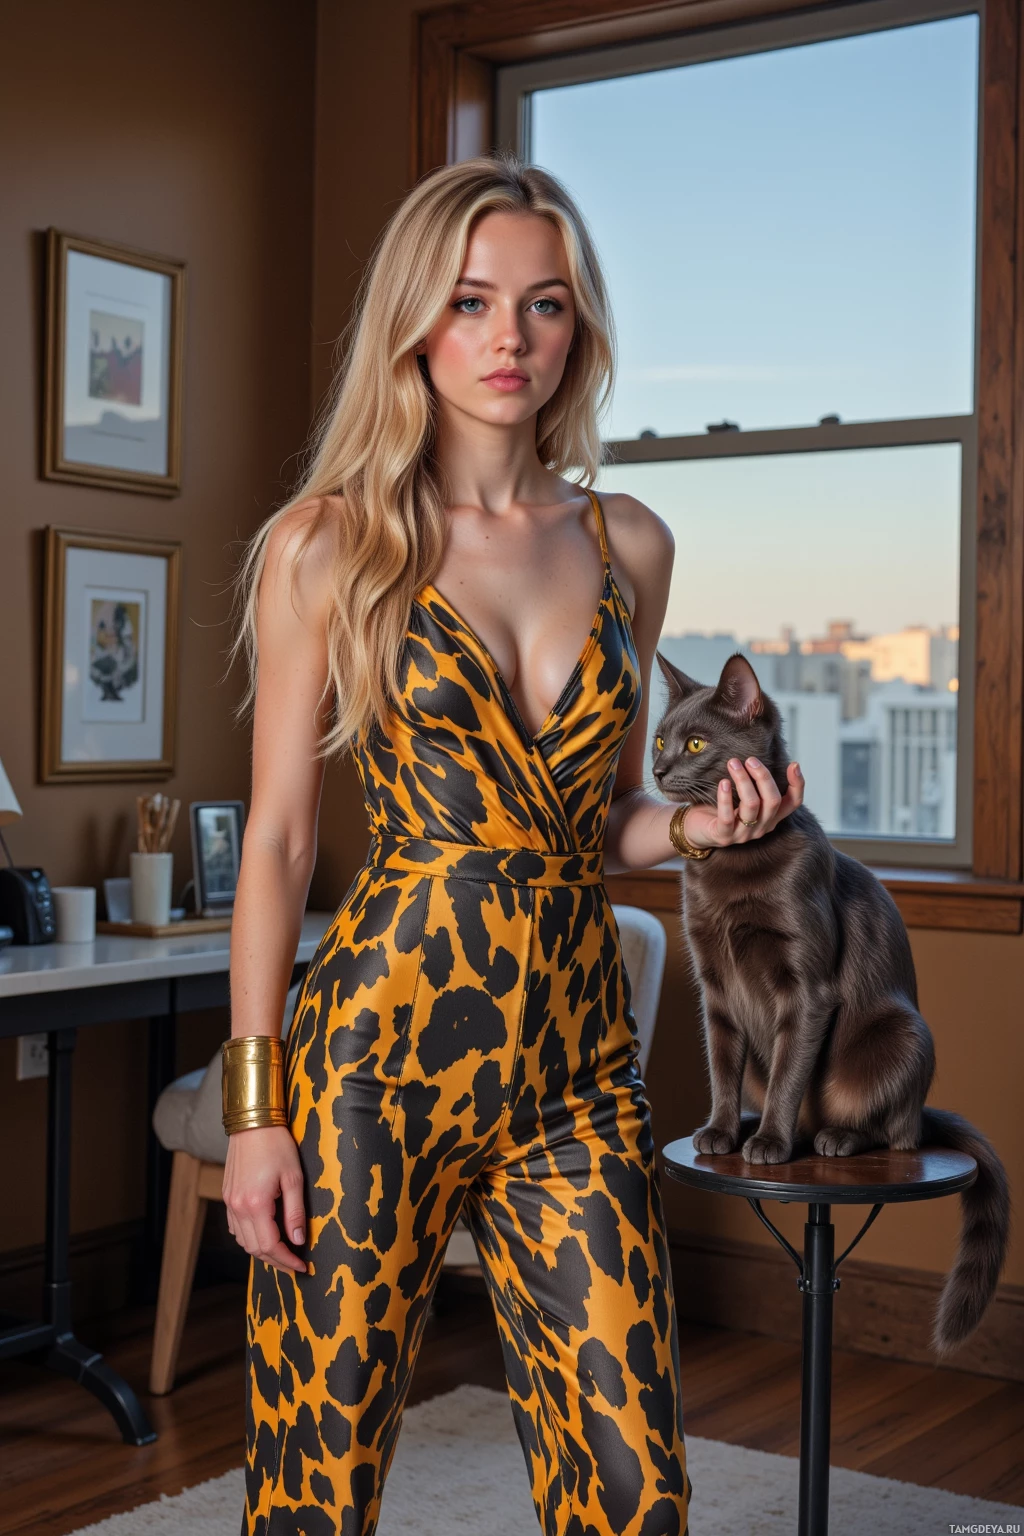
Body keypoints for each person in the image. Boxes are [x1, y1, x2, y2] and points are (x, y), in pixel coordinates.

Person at [222, 151, 804, 1536]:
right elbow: (283, 843)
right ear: (415, 320)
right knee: (319, 1476)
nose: (508, 340)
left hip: (577, 1068)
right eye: (473, 301)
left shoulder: (629, 542)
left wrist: (705, 830)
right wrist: (257, 1113)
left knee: (632, 1482)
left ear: (577, 330)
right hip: (372, 1061)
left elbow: (599, 821)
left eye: (543, 306)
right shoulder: (327, 542)